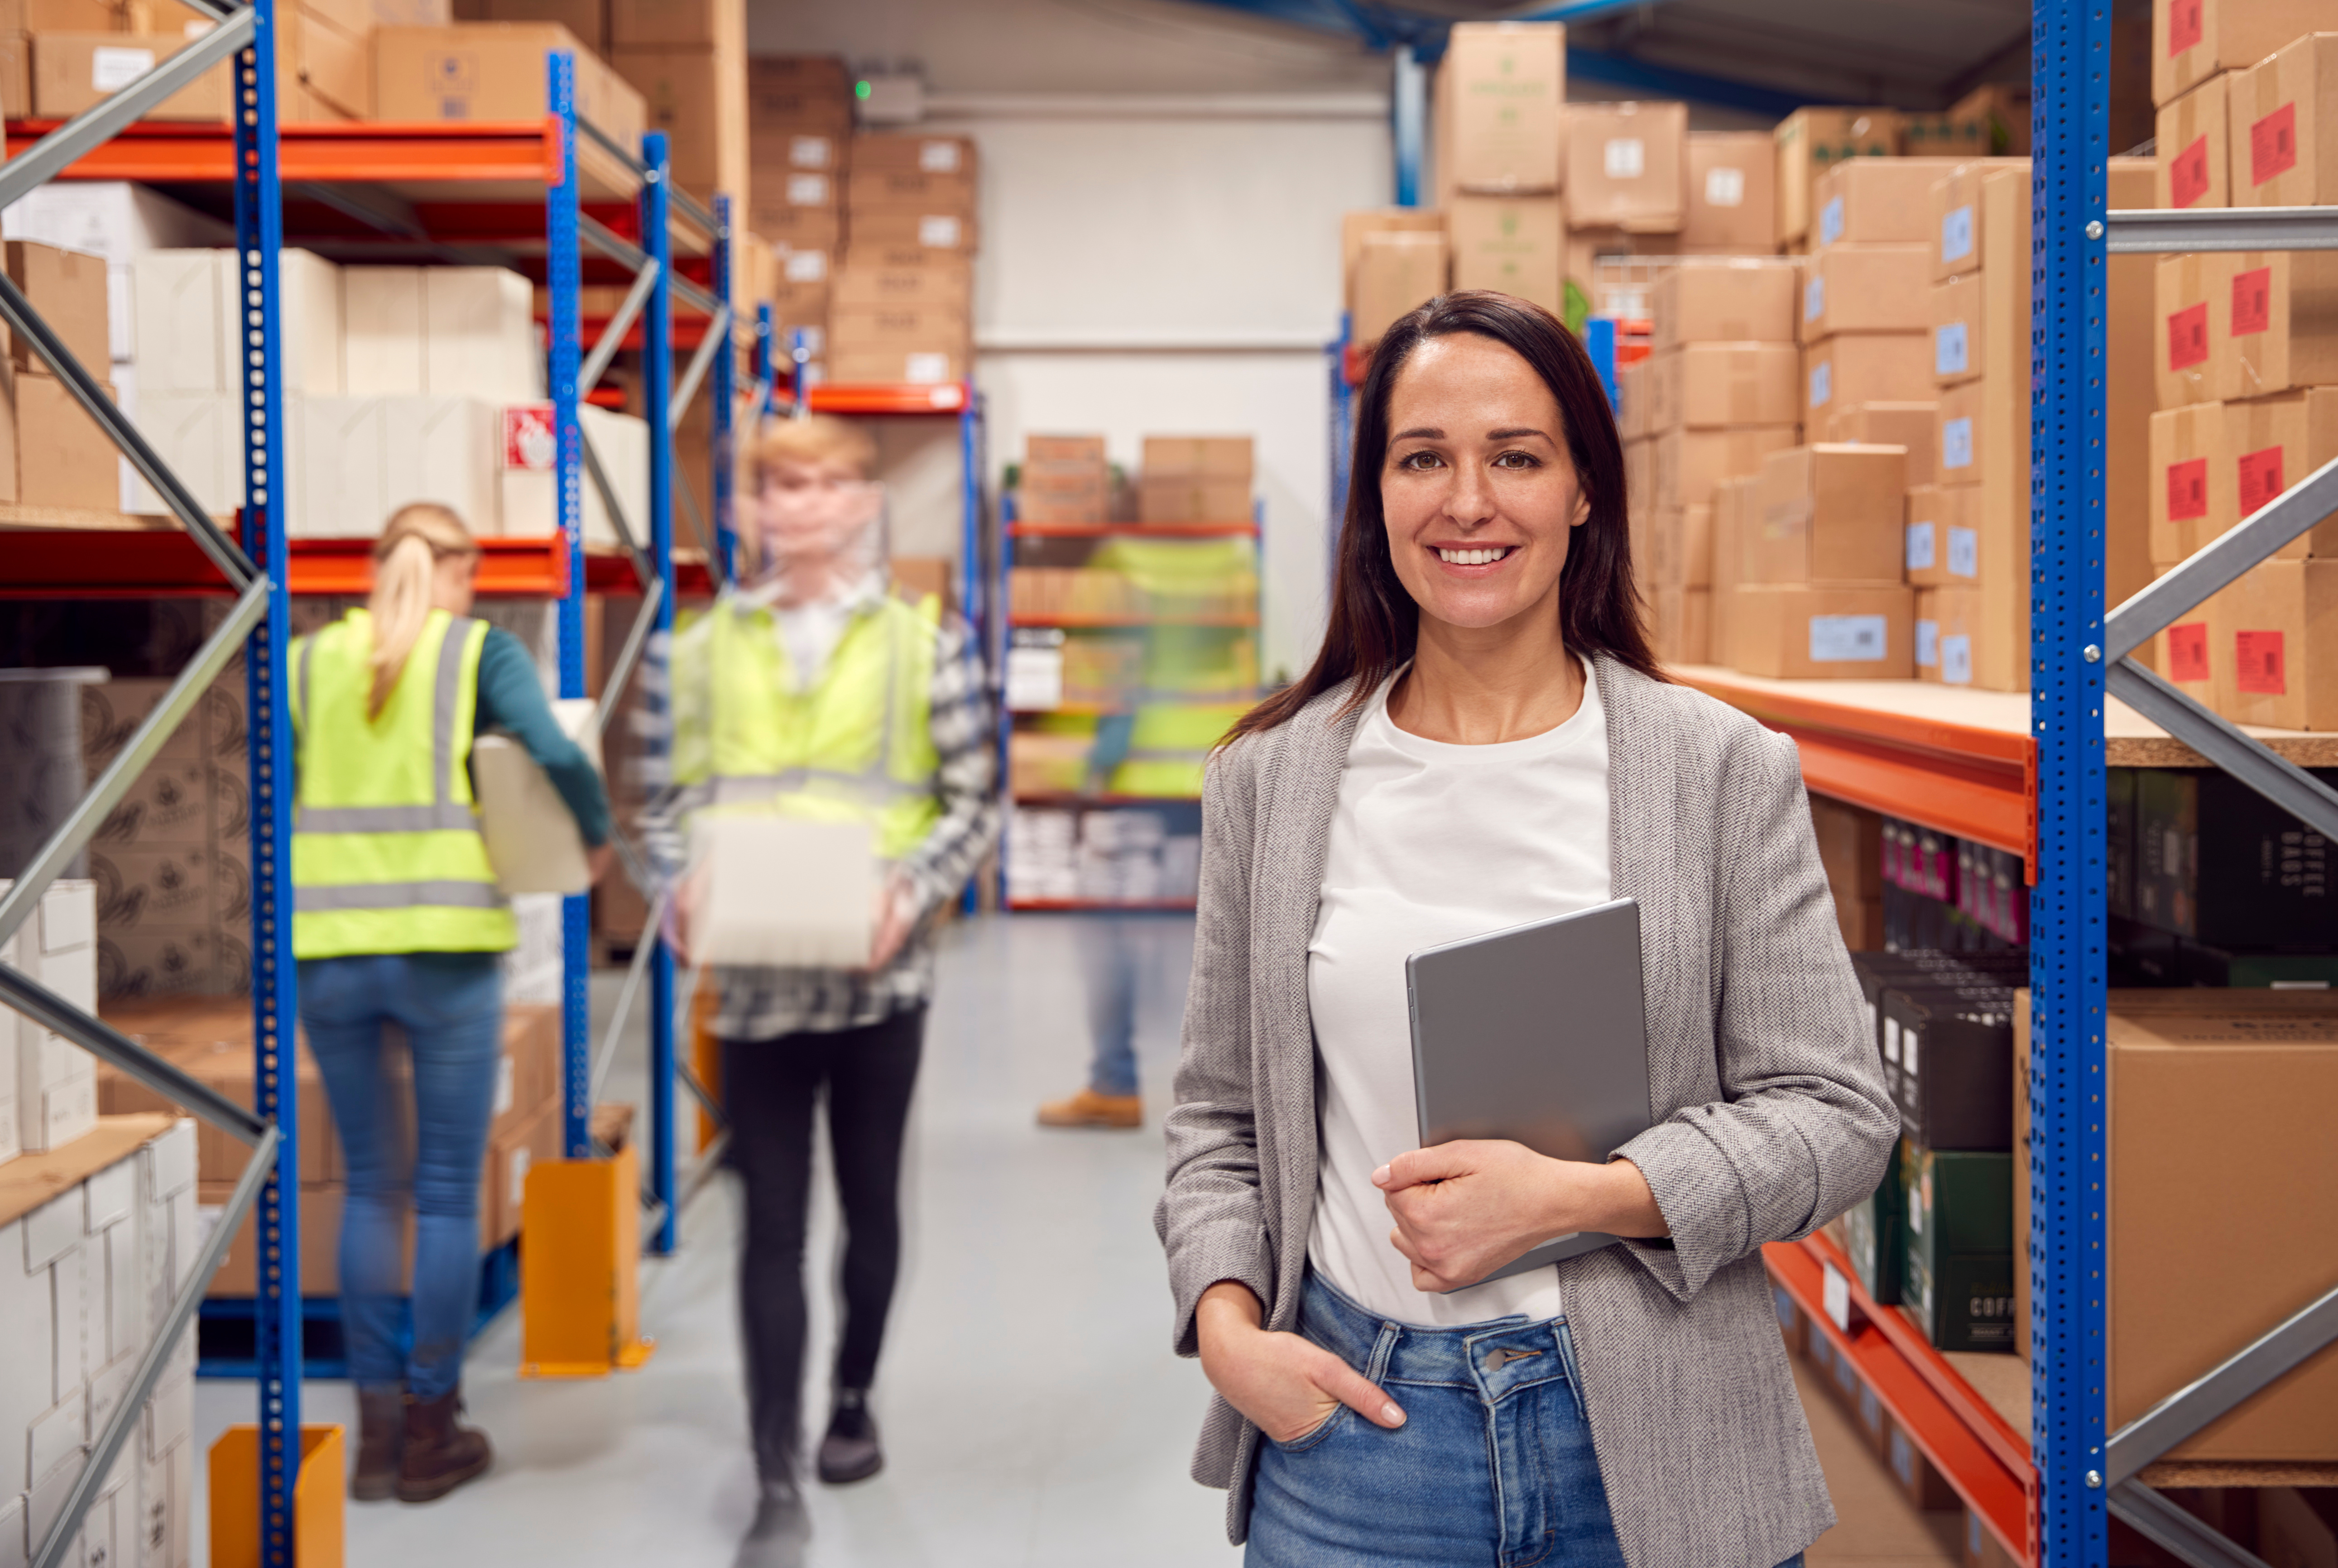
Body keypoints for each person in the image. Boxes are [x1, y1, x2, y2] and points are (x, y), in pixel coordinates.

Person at [1155, 292, 1897, 1568]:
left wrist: (1590, 1196)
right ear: (1374, 495)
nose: (1466, 501)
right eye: (1422, 458)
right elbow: (1218, 1121)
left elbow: (1837, 1116)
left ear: (1582, 491)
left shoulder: (1713, 769)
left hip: (1649, 1432)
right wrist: (1225, 1327)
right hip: (1356, 1437)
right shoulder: (1270, 783)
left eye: (1515, 456)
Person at [639, 413, 999, 1568]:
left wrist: (914, 891)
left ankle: (852, 1396)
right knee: (769, 1229)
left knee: (871, 1204)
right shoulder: (689, 654)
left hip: (876, 979)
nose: (799, 503)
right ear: (746, 509)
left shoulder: (922, 643)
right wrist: (674, 888)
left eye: (823, 484)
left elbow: (971, 799)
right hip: (751, 986)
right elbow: (657, 804)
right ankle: (773, 1470)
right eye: (777, 486)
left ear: (858, 502)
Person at [291, 503, 612, 1504]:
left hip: (331, 951)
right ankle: (434, 1427)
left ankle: (377, 1433)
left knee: (371, 1187)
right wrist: (592, 835)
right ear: (460, 570)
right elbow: (556, 754)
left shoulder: (305, 663)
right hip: (446, 950)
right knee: (439, 1190)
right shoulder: (477, 649)